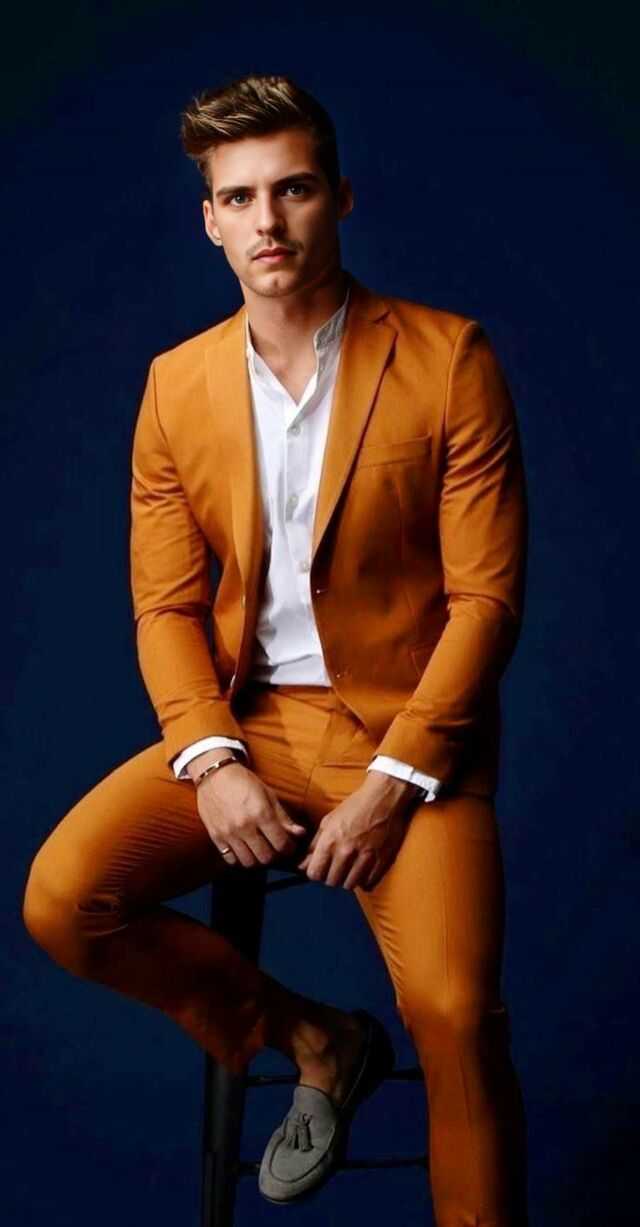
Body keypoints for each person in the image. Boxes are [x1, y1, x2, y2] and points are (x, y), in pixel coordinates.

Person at [22, 74, 529, 1223]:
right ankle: (314, 1040)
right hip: (252, 725)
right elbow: (165, 607)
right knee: (63, 900)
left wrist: (396, 781)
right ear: (209, 217)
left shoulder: (449, 357)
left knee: (457, 1017)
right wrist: (208, 755)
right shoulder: (176, 385)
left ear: (338, 197)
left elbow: (487, 601)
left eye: (292, 190)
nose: (268, 221)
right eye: (240, 197)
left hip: (411, 735)